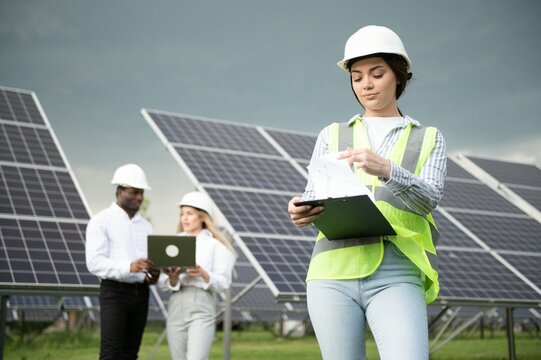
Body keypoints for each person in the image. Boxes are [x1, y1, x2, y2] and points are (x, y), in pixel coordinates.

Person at [287, 25, 447, 360]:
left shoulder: (430, 137)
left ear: (399, 75)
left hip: (397, 272)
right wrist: (300, 210)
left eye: (377, 73)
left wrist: (388, 170)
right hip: (331, 271)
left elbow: (429, 198)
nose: (367, 84)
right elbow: (315, 193)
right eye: (357, 77)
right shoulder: (331, 134)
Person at [86, 163, 160, 360]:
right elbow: (94, 262)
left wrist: (154, 276)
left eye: (141, 192)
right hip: (114, 294)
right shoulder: (101, 221)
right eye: (134, 192)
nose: (140, 197)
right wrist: (128, 267)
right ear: (119, 191)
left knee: (130, 354)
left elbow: (149, 266)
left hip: (141, 294)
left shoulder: (146, 227)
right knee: (111, 353)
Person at [159, 191, 236, 360]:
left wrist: (203, 274)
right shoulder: (173, 242)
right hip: (176, 305)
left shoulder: (216, 246)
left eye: (189, 213)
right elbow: (161, 281)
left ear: (202, 217)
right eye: (182, 214)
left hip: (201, 305)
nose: (184, 218)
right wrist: (172, 278)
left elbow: (224, 282)